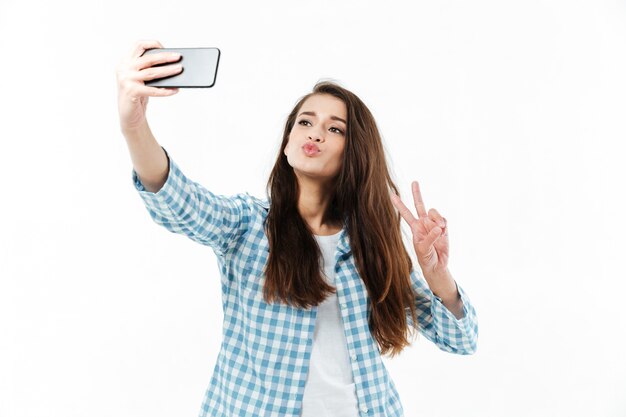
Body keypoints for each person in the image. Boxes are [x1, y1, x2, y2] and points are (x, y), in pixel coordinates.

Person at [116, 40, 479, 417]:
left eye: (335, 129)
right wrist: (134, 126)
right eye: (305, 122)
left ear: (354, 152)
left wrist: (437, 275)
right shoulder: (247, 225)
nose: (315, 133)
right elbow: (178, 200)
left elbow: (462, 340)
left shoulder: (370, 246)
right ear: (287, 142)